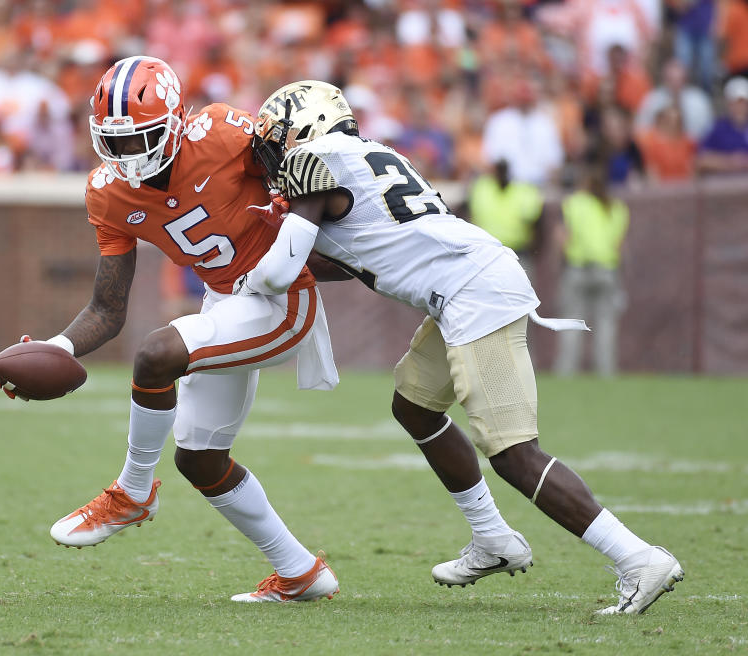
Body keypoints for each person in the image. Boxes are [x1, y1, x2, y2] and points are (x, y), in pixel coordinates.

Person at [241, 80, 683, 615]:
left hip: (474, 293)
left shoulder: (316, 158)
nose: (270, 154)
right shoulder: (369, 153)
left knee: (514, 451)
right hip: (466, 287)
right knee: (414, 403)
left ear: (305, 127)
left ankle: (636, 558)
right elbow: (354, 259)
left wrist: (241, 273)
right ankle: (492, 537)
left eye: (275, 138)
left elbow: (283, 270)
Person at [0, 57, 340, 603]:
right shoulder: (109, 194)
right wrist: (56, 348)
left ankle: (131, 492)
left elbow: (312, 180)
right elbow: (107, 309)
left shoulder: (226, 132)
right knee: (199, 458)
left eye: (141, 139)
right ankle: (301, 573)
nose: (128, 155)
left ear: (177, 121)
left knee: (157, 355)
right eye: (115, 142)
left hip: (282, 297)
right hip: (227, 302)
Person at [553, 163, 630, 377]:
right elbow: (620, 245)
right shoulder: (617, 207)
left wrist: (559, 264)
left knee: (571, 321)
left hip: (578, 268)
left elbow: (561, 237)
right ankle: (606, 373)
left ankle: (567, 373)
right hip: (607, 270)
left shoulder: (574, 204)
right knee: (606, 326)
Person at [697, 76, 748, 175]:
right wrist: (729, 162)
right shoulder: (718, 128)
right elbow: (701, 160)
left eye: (742, 103)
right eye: (735, 103)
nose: (739, 107)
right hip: (725, 186)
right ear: (728, 104)